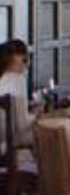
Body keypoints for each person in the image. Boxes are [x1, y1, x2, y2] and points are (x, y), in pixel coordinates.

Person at [0, 39, 37, 172]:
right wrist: (38, 117)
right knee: (49, 134)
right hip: (6, 146)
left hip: (3, 141)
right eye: (25, 61)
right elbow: (21, 126)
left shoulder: (3, 78)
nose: (26, 66)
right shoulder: (16, 79)